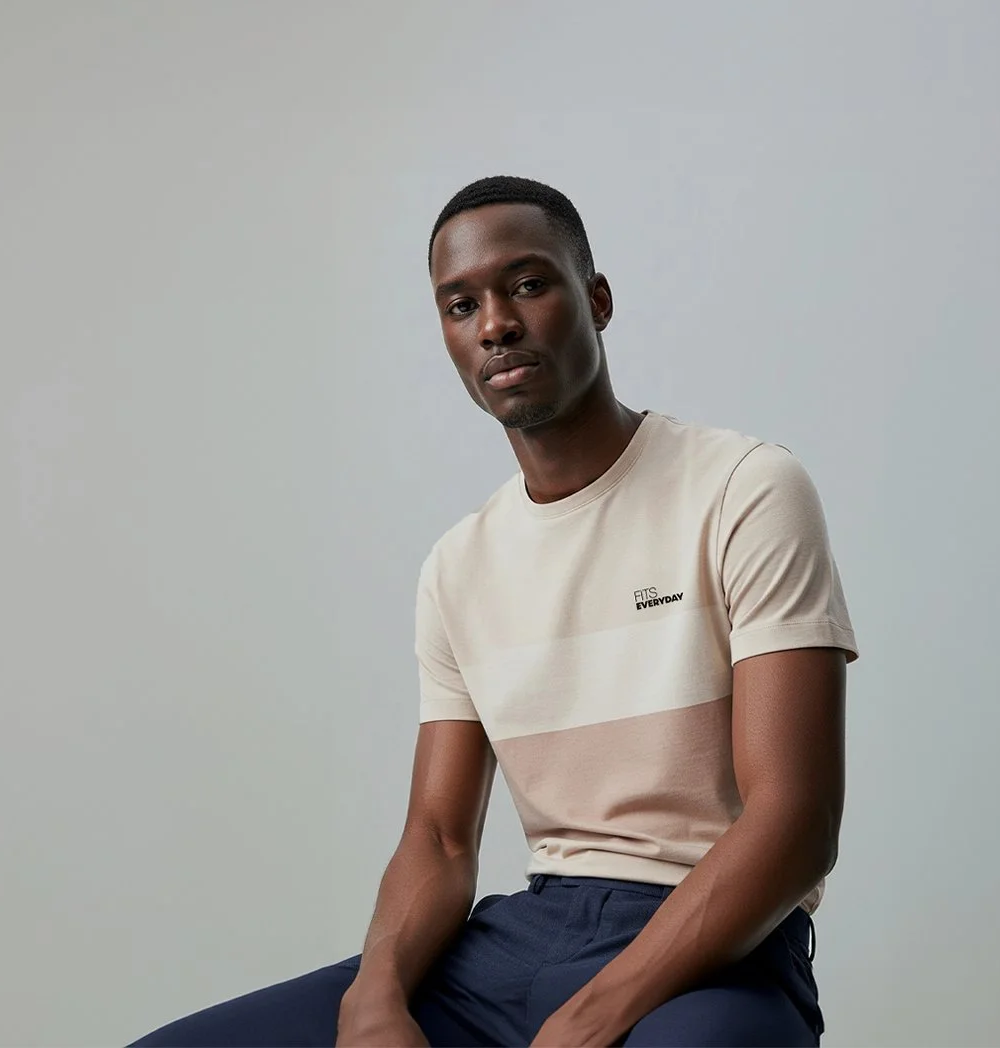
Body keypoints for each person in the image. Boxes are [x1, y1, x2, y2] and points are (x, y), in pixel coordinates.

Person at [129, 176, 858, 1048]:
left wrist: (589, 1018)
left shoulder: (744, 489)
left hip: (713, 946)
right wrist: (374, 998)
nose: (495, 323)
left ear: (597, 299)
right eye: (460, 304)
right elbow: (438, 841)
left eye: (527, 284)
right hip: (519, 945)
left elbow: (795, 822)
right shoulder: (458, 567)